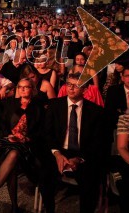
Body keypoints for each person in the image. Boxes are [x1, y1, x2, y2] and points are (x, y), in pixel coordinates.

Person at [40, 72, 106, 213]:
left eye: (76, 85)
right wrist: (57, 154)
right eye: (69, 84)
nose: (71, 88)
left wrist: (79, 158)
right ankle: (49, 209)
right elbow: (47, 133)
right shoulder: (55, 105)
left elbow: (97, 141)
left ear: (85, 89)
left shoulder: (96, 111)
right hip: (58, 150)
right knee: (45, 175)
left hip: (83, 153)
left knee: (90, 182)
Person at [0, 78, 46, 211]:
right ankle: (13, 206)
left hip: (27, 145)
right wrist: (9, 135)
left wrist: (26, 138)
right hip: (7, 141)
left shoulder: (38, 108)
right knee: (13, 157)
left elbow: (41, 131)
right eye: (20, 87)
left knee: (14, 156)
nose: (22, 89)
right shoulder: (11, 103)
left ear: (32, 90)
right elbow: (3, 123)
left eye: (26, 87)